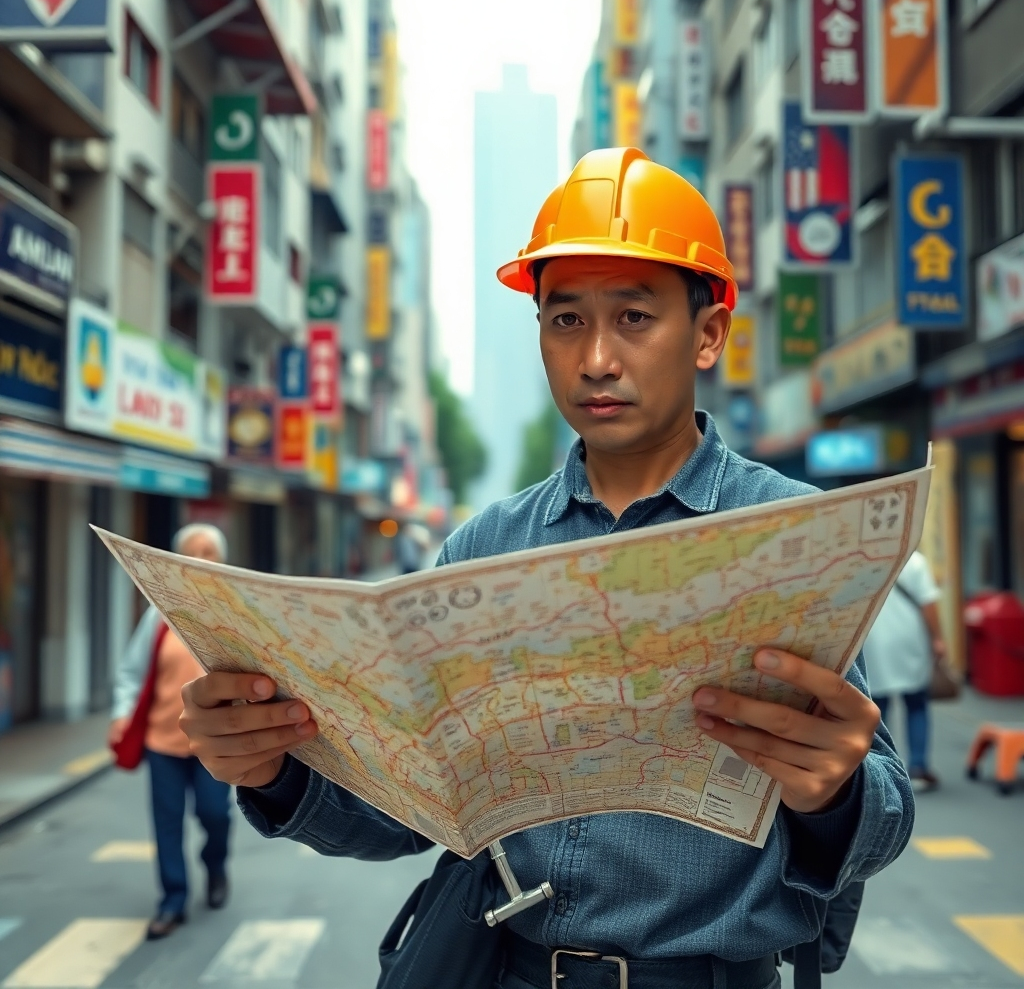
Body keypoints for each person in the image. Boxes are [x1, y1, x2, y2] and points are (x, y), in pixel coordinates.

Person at [180, 149, 914, 989]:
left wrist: (838, 791)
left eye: (634, 317)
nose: (596, 358)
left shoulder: (794, 536)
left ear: (708, 333)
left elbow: (885, 818)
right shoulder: (482, 551)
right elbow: (408, 818)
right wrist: (271, 769)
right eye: (566, 321)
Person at [110, 523, 234, 941]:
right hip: (162, 740)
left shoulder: (231, 612)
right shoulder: (158, 612)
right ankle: (172, 900)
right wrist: (121, 713)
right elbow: (132, 671)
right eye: (192, 551)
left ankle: (215, 865)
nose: (201, 559)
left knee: (215, 814)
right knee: (166, 822)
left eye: (210, 552)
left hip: (215, 744)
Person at [861, 550, 946, 792]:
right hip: (910, 639)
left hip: (874, 641)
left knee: (877, 710)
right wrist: (938, 638)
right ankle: (918, 767)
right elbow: (928, 603)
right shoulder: (916, 561)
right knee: (917, 703)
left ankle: (880, 769)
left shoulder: (868, 558)